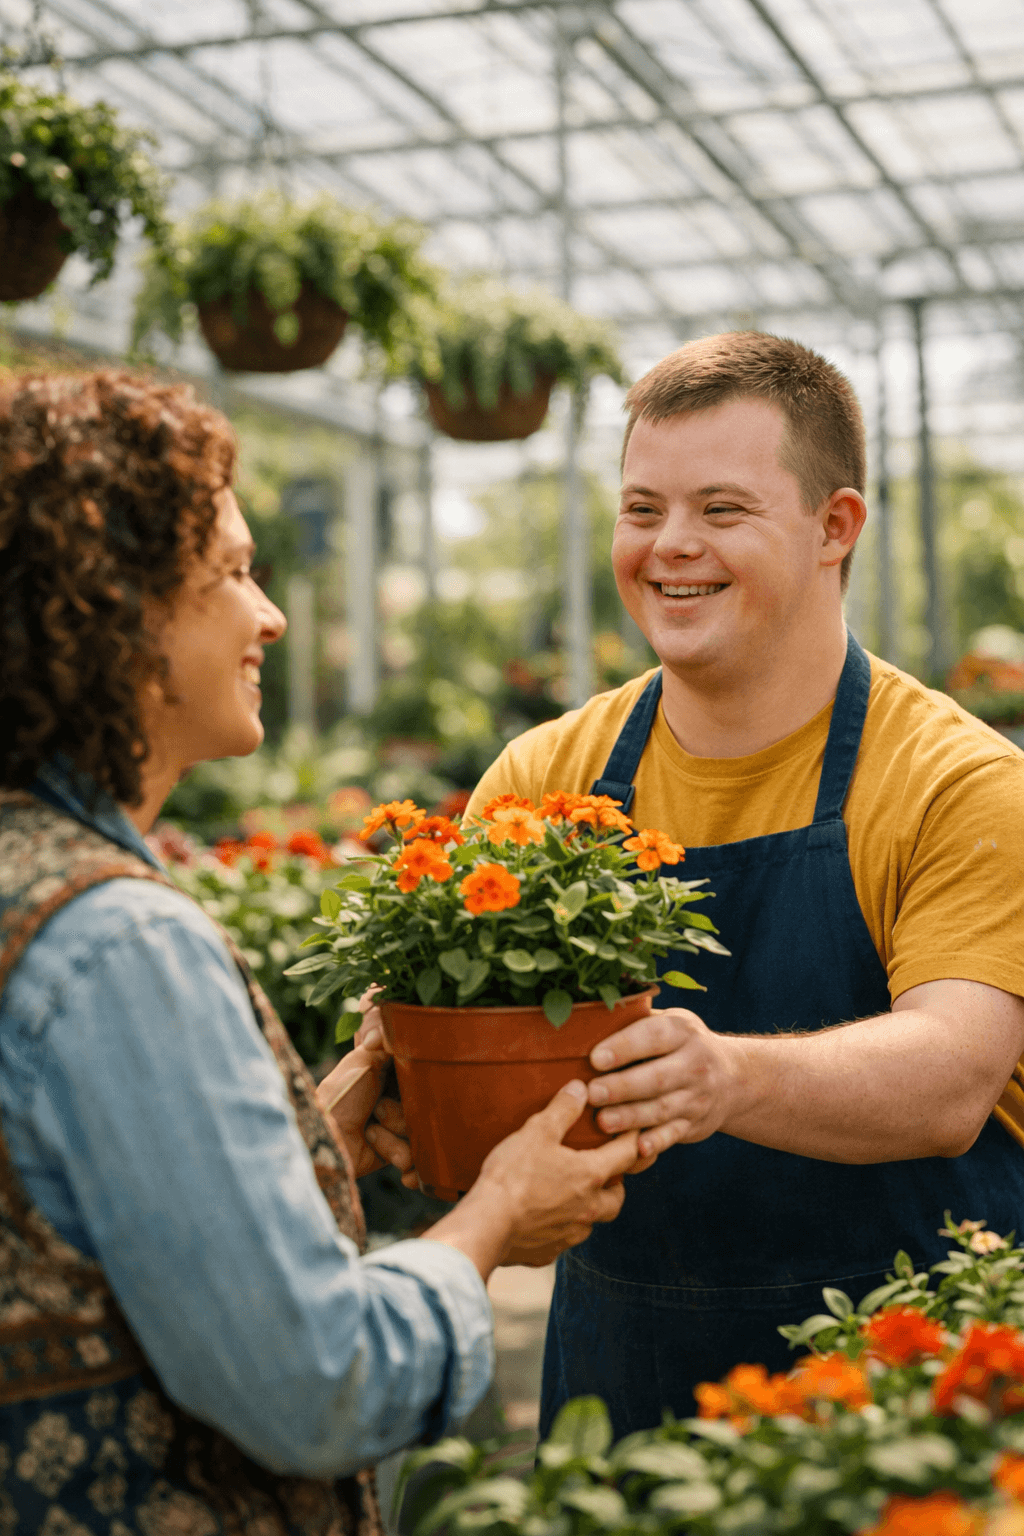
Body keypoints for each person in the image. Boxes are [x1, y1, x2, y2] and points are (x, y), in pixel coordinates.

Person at [0, 370, 642, 1535]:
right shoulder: (116, 941)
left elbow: (69, 1235)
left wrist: (319, 1132)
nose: (271, 616)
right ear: (115, 612)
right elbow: (317, 1382)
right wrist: (492, 1217)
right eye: (233, 574)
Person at [465, 331, 1024, 1439]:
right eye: (641, 509)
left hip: (904, 1404)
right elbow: (456, 1052)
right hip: (621, 1383)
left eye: (722, 510)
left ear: (835, 527)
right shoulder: (543, 779)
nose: (670, 547)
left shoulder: (957, 781)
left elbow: (954, 1074)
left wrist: (717, 1079)